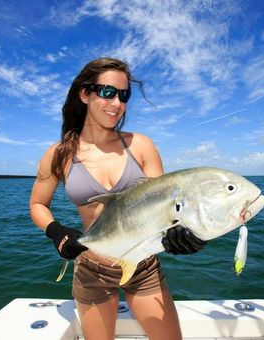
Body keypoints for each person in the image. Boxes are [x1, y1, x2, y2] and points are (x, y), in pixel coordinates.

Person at [29, 57, 206, 340]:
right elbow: (38, 204)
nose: (116, 103)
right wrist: (56, 231)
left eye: (123, 95)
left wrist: (184, 236)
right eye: (107, 92)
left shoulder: (141, 145)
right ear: (85, 94)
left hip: (144, 264)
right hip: (92, 267)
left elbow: (166, 205)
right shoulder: (59, 154)